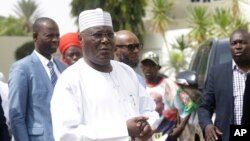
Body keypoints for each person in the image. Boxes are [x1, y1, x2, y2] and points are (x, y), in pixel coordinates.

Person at [50, 8, 159, 141]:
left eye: (109, 34)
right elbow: (66, 134)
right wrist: (124, 130)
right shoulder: (69, 80)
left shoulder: (126, 71)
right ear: (80, 39)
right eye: (97, 35)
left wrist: (147, 127)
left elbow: (149, 110)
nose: (105, 40)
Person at [8, 17, 67, 141]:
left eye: (57, 35)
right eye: (49, 36)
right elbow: (16, 116)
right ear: (35, 36)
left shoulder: (64, 68)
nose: (55, 40)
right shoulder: (22, 69)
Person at [198, 29, 250, 141]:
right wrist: (207, 125)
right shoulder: (217, 73)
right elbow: (205, 107)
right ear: (230, 47)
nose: (238, 46)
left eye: (243, 42)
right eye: (234, 43)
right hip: (226, 136)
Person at [140, 51, 196, 141]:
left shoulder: (169, 85)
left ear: (158, 68)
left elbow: (188, 105)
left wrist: (180, 128)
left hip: (164, 137)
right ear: (141, 67)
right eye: (145, 65)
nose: (148, 68)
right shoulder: (138, 85)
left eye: (152, 65)